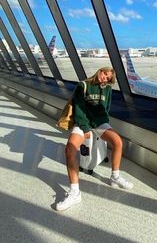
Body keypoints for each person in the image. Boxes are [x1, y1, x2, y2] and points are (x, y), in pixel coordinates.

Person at [56, 67, 133, 211]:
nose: (104, 78)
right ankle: (75, 192)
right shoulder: (83, 85)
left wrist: (102, 123)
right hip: (83, 123)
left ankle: (115, 176)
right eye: (104, 74)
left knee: (117, 142)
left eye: (108, 78)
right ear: (100, 71)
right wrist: (85, 128)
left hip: (98, 123)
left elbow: (106, 107)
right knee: (70, 150)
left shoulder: (107, 89)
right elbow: (78, 108)